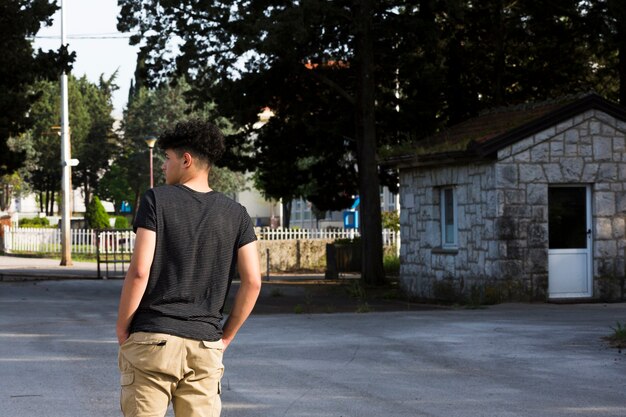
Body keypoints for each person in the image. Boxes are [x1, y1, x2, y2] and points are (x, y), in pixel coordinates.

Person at [116, 119, 262, 417]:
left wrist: (123, 327)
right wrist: (226, 336)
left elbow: (140, 271)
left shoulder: (156, 199)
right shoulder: (237, 214)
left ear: (186, 160)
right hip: (205, 345)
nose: (163, 167)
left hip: (153, 339)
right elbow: (253, 282)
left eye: (167, 159)